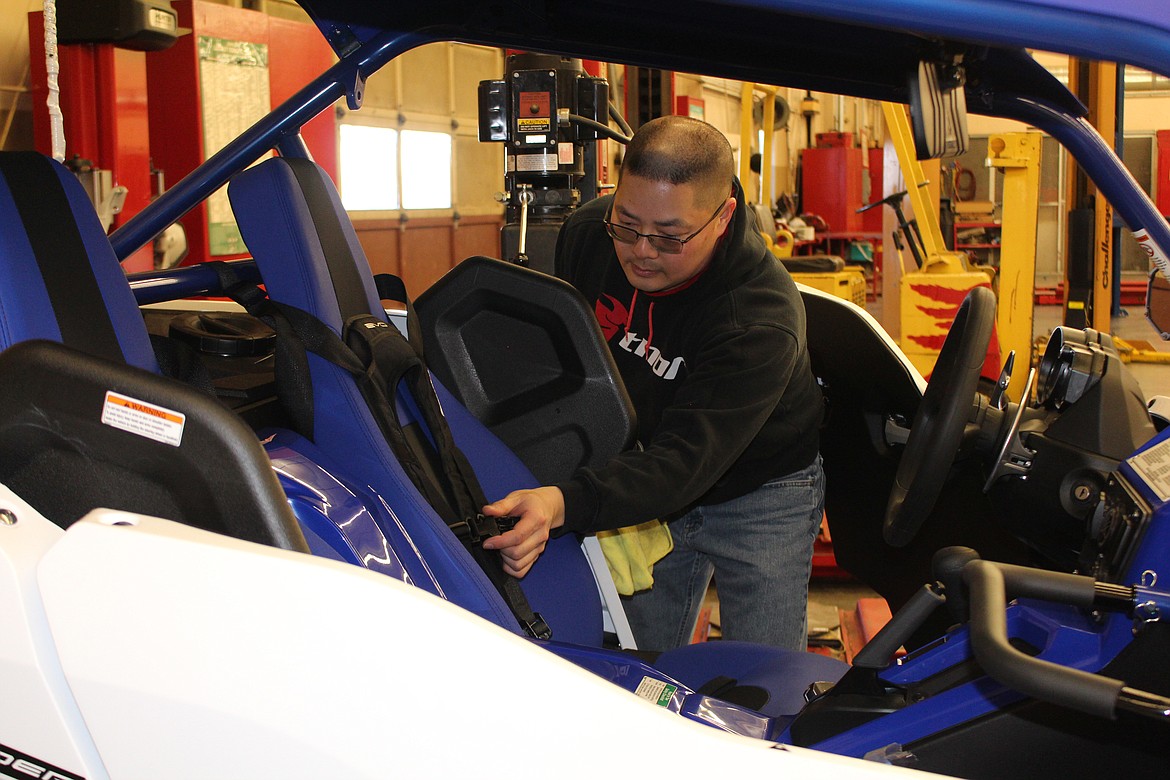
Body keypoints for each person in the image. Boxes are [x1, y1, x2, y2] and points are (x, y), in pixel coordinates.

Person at [482, 115, 824, 652]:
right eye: (628, 223)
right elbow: (573, 368)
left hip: (761, 490)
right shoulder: (590, 235)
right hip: (644, 465)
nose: (641, 250)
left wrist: (566, 501)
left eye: (669, 236)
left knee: (764, 671)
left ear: (722, 216)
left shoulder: (757, 318)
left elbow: (687, 461)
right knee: (638, 665)